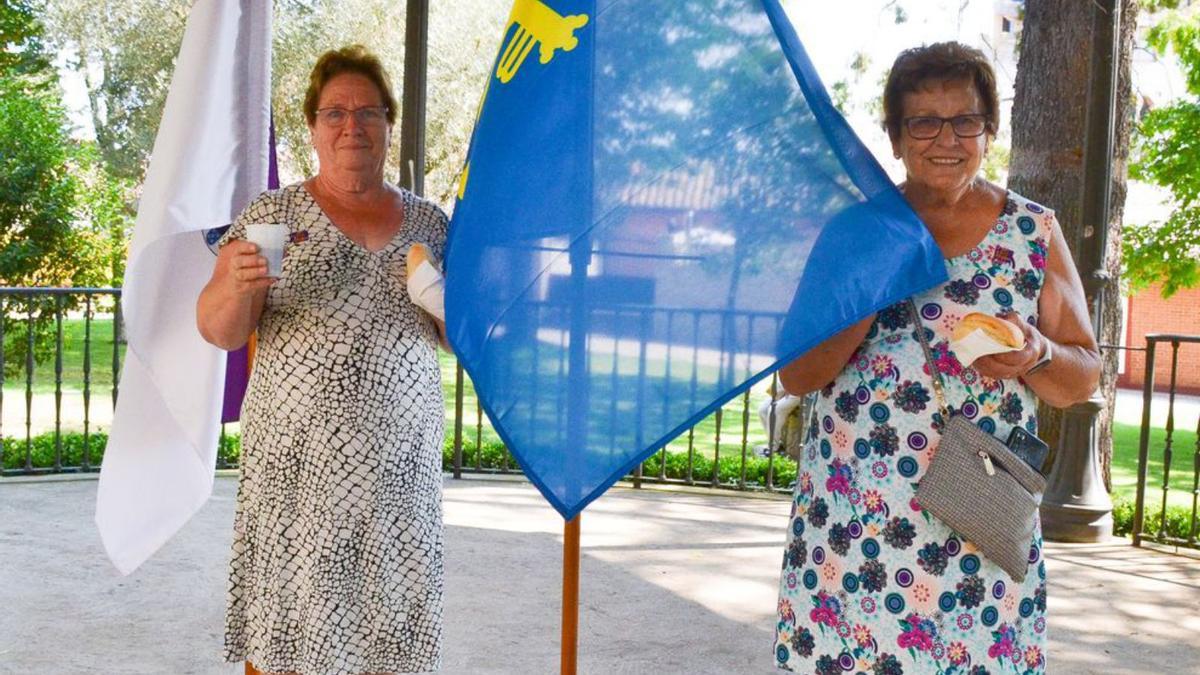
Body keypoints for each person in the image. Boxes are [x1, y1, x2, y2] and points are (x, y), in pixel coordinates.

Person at [772, 42, 1100, 674]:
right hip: (857, 520)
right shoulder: (859, 230)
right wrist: (870, 286)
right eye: (922, 121)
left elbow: (1081, 377)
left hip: (978, 517)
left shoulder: (1032, 232)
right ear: (895, 138)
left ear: (989, 131)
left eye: (965, 120)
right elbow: (800, 373)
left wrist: (1036, 353)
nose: (945, 138)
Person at [196, 45, 450, 675]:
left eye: (367, 111)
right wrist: (236, 285)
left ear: (389, 123)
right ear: (312, 126)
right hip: (297, 469)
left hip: (400, 466)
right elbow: (221, 332)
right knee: (294, 624)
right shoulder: (270, 216)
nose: (351, 125)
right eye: (334, 112)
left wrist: (445, 301)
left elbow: (456, 339)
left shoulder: (431, 223)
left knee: (394, 623)